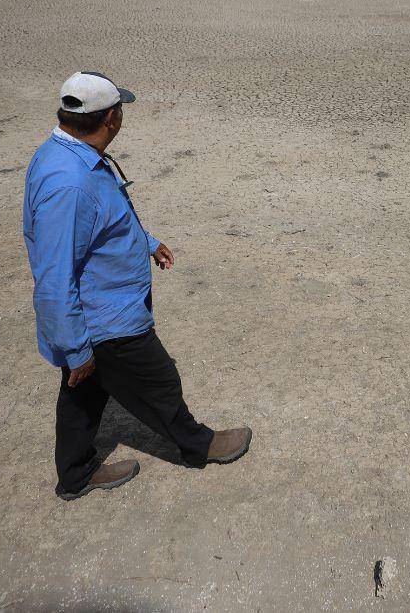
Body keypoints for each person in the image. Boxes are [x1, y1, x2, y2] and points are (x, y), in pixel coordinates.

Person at [22, 71, 251, 501]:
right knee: (158, 380)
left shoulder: (65, 155)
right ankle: (197, 445)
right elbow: (54, 277)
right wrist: (75, 347)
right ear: (110, 117)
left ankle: (75, 474)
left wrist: (146, 242)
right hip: (105, 316)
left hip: (98, 310)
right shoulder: (68, 183)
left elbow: (100, 224)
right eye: (120, 109)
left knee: (83, 393)